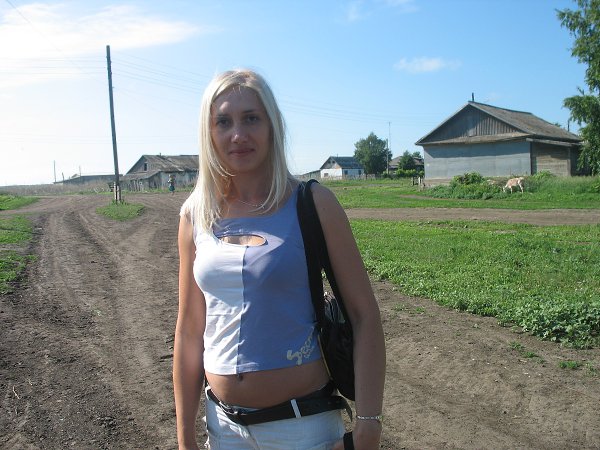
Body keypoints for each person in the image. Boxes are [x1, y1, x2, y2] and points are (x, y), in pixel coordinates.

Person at [174, 69, 385, 450]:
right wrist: (185, 438)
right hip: (223, 430)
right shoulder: (195, 215)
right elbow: (190, 330)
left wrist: (369, 425)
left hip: (303, 430)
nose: (238, 134)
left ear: (272, 125)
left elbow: (364, 315)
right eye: (223, 122)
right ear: (209, 132)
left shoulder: (313, 203)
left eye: (251, 118)